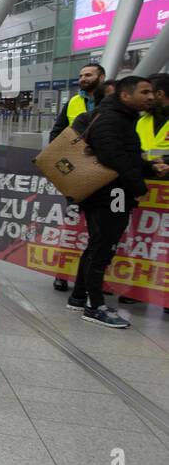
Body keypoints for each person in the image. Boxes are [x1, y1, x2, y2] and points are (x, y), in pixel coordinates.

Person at [67, 76, 167, 327]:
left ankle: (81, 296)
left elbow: (124, 156)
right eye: (144, 92)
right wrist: (139, 186)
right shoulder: (113, 119)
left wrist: (149, 169)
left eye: (152, 92)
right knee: (103, 249)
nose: (150, 97)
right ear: (125, 95)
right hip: (110, 194)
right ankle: (94, 305)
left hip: (108, 192)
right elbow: (113, 157)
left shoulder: (119, 117)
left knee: (97, 245)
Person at [47, 63, 107, 292]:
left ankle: (94, 278)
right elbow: (58, 131)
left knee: (99, 230)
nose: (82, 78)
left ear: (101, 77)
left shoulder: (108, 103)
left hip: (102, 172)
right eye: (81, 74)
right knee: (72, 226)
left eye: (88, 74)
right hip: (76, 172)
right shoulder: (73, 101)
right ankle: (62, 274)